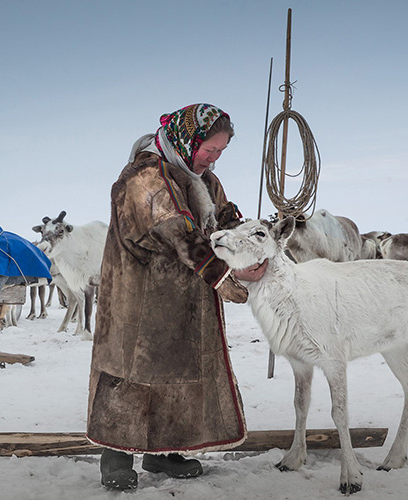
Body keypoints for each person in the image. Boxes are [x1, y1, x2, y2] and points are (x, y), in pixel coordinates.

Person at [86, 103, 267, 490]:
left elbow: (225, 219)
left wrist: (257, 239)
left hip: (183, 297)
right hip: (139, 296)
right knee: (132, 372)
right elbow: (175, 230)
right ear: (189, 141)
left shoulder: (200, 178)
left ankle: (162, 452)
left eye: (220, 152)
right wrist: (223, 275)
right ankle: (115, 455)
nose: (214, 158)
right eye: (210, 149)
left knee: (178, 371)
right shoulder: (145, 175)